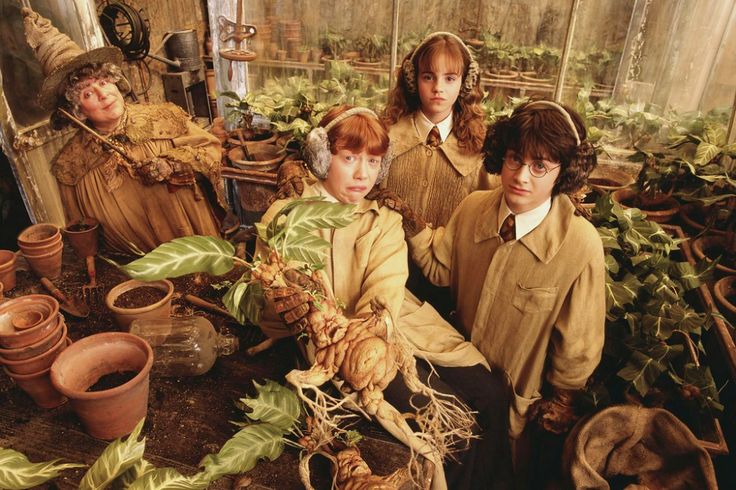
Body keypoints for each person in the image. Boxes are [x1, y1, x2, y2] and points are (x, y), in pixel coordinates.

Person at [257, 105, 512, 490]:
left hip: (387, 326)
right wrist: (284, 307)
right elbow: (270, 305)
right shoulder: (285, 217)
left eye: (374, 161)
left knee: (490, 394)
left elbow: (384, 291)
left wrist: (369, 328)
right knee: (449, 428)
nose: (363, 174)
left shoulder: (383, 218)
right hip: (335, 350)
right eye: (349, 158)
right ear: (322, 157)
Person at [377, 100, 606, 486]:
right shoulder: (473, 209)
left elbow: (578, 348)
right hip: (458, 386)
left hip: (518, 412)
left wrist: (562, 401)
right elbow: (440, 271)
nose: (522, 176)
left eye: (540, 166)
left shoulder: (579, 245)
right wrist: (412, 225)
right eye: (515, 159)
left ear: (564, 172)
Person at [22, 7, 229, 255]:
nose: (102, 94)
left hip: (195, 249)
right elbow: (80, 229)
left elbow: (210, 150)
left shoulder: (163, 117)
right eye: (88, 93)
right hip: (132, 268)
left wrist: (172, 164)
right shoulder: (70, 165)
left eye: (102, 81)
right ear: (77, 110)